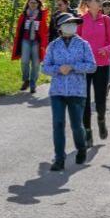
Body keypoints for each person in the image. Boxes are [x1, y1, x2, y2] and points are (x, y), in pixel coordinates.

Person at [41, 13, 97, 171]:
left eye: (73, 23)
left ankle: (81, 148)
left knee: (76, 125)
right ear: (60, 27)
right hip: (57, 91)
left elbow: (92, 66)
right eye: (67, 23)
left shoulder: (83, 44)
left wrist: (73, 67)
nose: (71, 26)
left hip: (77, 91)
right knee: (58, 124)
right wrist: (58, 69)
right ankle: (59, 159)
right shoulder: (53, 46)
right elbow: (44, 67)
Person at [77, 0, 110, 148]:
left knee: (100, 100)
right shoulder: (80, 20)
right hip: (85, 66)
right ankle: (87, 132)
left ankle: (101, 119)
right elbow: (76, 42)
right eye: (97, 0)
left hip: (102, 65)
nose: (101, 2)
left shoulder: (106, 20)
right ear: (88, 4)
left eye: (100, 0)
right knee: (84, 101)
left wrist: (106, 49)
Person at [11, 0, 49, 94]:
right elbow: (19, 29)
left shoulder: (41, 15)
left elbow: (44, 29)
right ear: (28, 3)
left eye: (35, 3)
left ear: (38, 4)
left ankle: (33, 83)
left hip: (36, 41)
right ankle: (26, 80)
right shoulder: (24, 14)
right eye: (31, 2)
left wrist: (44, 42)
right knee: (24, 61)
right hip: (25, 40)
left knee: (36, 63)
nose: (32, 4)